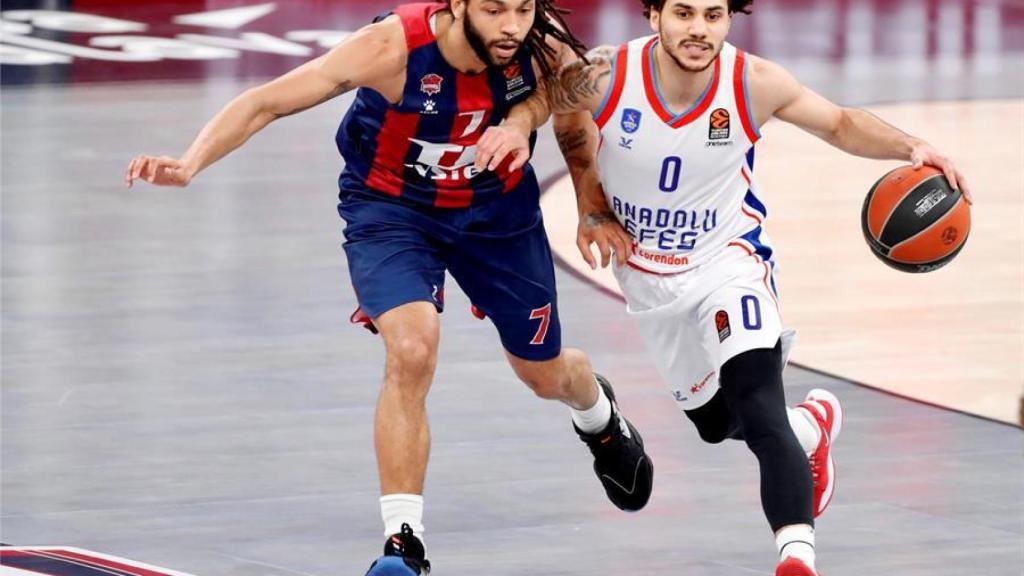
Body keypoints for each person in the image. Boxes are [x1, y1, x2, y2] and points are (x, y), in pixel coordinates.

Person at [123, 2, 655, 574]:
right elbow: (265, 102)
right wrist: (190, 163)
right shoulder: (390, 49)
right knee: (411, 348)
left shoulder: (543, 49)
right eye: (495, 8)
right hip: (391, 210)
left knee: (544, 374)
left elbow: (573, 122)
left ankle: (598, 414)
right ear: (458, 5)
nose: (511, 25)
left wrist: (591, 207)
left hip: (498, 217)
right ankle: (404, 545)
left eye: (523, 8)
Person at [475, 0, 973, 575]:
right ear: (653, 14)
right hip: (647, 275)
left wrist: (914, 148)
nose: (698, 30)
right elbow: (549, 103)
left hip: (727, 261)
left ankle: (796, 556)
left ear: (729, 20)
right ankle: (811, 427)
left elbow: (838, 122)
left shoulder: (752, 83)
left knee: (758, 401)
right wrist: (546, 157)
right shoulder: (609, 74)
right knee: (716, 423)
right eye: (684, 13)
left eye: (713, 15)